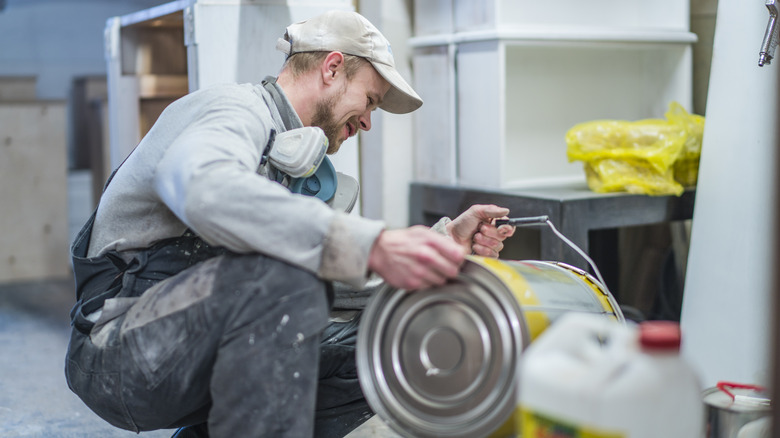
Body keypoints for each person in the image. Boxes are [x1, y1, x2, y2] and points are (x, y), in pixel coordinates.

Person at [65, 9, 515, 438]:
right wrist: (369, 244)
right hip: (117, 353)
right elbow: (202, 186)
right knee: (284, 279)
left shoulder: (294, 161)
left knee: (384, 339)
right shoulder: (235, 110)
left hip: (185, 343)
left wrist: (442, 244)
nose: (367, 121)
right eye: (370, 100)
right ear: (332, 68)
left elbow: (331, 282)